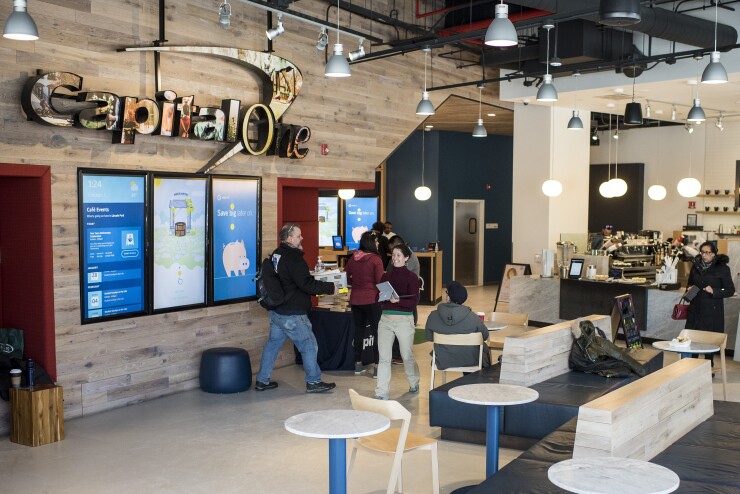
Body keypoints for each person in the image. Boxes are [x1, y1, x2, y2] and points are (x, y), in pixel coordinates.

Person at [255, 223, 338, 393]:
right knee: (309, 345)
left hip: (277, 311)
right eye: (299, 236)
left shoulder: (277, 253)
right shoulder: (294, 259)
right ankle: (314, 382)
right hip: (292, 314)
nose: (302, 238)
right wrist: (330, 288)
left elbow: (290, 279)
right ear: (289, 238)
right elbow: (306, 284)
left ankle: (262, 380)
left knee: (272, 345)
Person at [375, 244, 420, 400]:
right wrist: (382, 297)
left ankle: (414, 382)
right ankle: (381, 392)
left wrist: (398, 300)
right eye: (393, 255)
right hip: (385, 321)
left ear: (406, 258)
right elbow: (377, 299)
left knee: (407, 356)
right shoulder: (386, 276)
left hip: (404, 321)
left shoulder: (412, 278)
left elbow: (413, 303)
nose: (395, 258)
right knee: (384, 358)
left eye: (398, 255)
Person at [686, 241, 735, 365]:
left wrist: (714, 291)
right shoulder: (696, 266)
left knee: (708, 341)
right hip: (695, 309)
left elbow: (730, 290)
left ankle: (709, 365)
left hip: (712, 312)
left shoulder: (723, 268)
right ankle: (691, 365)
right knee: (692, 340)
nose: (704, 255)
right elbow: (690, 283)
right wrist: (689, 289)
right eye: (702, 252)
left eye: (707, 252)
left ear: (714, 254)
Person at [425, 281, 490, 370]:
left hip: (443, 361)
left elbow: (428, 337)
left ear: (448, 297)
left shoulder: (433, 316)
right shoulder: (473, 318)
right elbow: (485, 336)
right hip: (471, 360)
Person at [344, 230, 384, 376]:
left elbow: (345, 277)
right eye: (377, 241)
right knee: (377, 333)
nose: (378, 243)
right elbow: (380, 281)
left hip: (356, 299)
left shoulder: (353, 258)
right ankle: (377, 368)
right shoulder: (376, 259)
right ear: (372, 243)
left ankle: (358, 365)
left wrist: (355, 284)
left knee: (359, 331)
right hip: (372, 300)